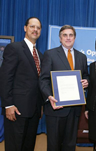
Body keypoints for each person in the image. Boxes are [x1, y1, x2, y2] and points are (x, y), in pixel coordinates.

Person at [39, 25, 89, 151]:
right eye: (65, 35)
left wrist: (86, 81)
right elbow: (43, 79)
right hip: (56, 108)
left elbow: (85, 75)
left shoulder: (81, 57)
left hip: (74, 109)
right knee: (54, 145)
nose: (68, 38)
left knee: (70, 145)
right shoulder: (50, 54)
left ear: (75, 38)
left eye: (71, 35)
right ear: (60, 38)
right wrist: (50, 96)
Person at [0, 17, 43, 151]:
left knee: (28, 146)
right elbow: (5, 77)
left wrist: (40, 106)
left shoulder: (40, 54)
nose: (35, 30)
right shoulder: (14, 48)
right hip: (16, 109)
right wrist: (8, 105)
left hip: (34, 110)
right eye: (32, 26)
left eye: (38, 27)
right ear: (25, 28)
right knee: (15, 146)